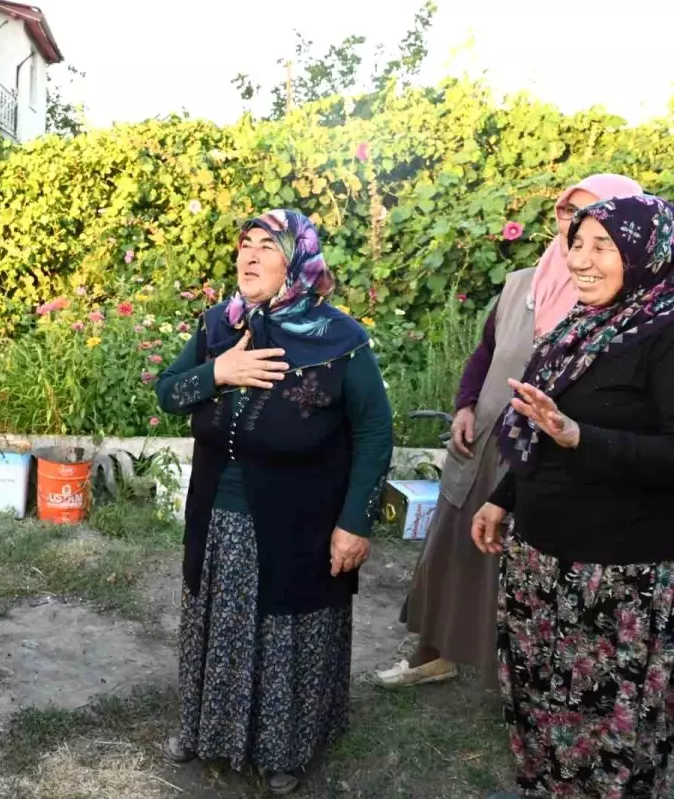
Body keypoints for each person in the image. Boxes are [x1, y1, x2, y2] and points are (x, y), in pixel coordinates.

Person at [155, 209, 394, 794]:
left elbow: (374, 432)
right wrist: (221, 370)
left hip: (303, 517)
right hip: (218, 514)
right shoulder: (219, 325)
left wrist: (354, 522)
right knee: (219, 622)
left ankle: (284, 748)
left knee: (288, 626)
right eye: (244, 244)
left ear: (299, 260)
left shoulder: (340, 339)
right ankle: (205, 728)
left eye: (267, 246)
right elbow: (168, 393)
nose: (249, 256)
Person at [376, 173, 643, 689]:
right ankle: (432, 655)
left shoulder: (618, 299)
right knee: (452, 546)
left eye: (597, 217)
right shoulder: (524, 281)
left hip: (547, 453)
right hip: (486, 439)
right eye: (570, 215)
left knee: (519, 562)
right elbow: (485, 351)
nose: (577, 230)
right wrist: (465, 406)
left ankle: (518, 679)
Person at [472, 194, 674, 799]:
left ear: (646, 252)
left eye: (602, 245)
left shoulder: (665, 334)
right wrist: (504, 497)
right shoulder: (582, 325)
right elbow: (543, 429)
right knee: (542, 709)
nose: (581, 260)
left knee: (609, 729)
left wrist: (578, 435)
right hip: (542, 562)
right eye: (576, 242)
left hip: (617, 577)